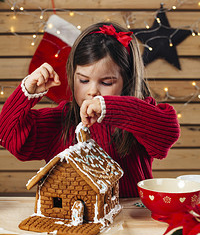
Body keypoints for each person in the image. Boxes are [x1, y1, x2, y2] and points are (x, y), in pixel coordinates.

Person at [0, 22, 180, 197]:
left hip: (131, 218)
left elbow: (167, 132)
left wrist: (110, 108)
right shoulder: (60, 121)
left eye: (106, 82)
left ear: (127, 81)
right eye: (84, 81)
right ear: (72, 75)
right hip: (70, 222)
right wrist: (26, 92)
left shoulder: (137, 117)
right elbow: (9, 136)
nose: (92, 91)